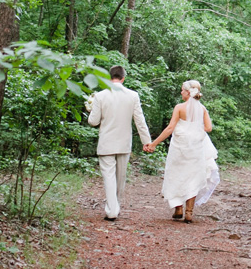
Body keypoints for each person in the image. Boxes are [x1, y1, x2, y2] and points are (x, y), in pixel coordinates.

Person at [146, 79, 219, 222]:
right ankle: (189, 212)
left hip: (179, 147)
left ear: (188, 92)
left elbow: (170, 128)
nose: (181, 92)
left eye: (182, 90)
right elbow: (208, 128)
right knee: (193, 176)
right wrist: (194, 129)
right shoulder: (202, 109)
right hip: (196, 148)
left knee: (176, 174)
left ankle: (178, 208)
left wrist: (154, 144)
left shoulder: (179, 108)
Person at [86, 65, 152, 221]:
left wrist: (91, 110)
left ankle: (112, 210)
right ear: (123, 78)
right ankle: (115, 207)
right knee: (120, 178)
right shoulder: (133, 95)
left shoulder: (100, 96)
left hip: (106, 142)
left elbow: (93, 122)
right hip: (124, 142)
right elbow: (140, 120)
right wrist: (146, 141)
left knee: (109, 177)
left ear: (110, 78)